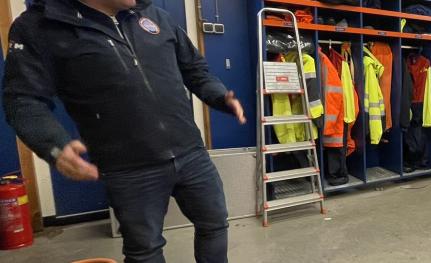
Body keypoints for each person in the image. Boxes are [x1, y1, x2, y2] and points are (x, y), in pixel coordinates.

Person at [2, 0, 248, 262]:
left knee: (215, 224)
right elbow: (22, 100)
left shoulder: (155, 16)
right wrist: (54, 145)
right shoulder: (40, 26)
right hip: (129, 168)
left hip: (191, 152)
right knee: (145, 249)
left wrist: (220, 96)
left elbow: (195, 69)